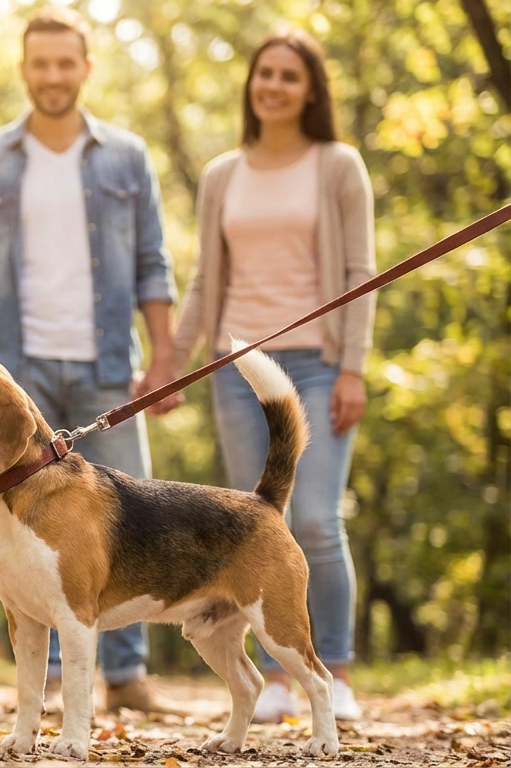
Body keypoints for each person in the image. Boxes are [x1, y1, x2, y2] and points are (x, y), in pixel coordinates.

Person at [0, 5, 181, 714]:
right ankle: (40, 677)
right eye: (40, 63)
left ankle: (127, 676)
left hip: (107, 362)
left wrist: (163, 357)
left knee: (130, 515)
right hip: (15, 370)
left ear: (86, 68)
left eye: (64, 62)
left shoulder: (126, 156)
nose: (52, 75)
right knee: (18, 523)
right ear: (24, 70)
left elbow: (152, 265)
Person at [172, 29, 375, 723]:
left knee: (316, 521)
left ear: (311, 89)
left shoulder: (338, 164)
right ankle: (277, 682)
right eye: (265, 74)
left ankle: (335, 671)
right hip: (237, 366)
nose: (275, 86)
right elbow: (204, 279)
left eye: (290, 76)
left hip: (319, 363)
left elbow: (361, 273)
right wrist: (174, 362)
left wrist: (353, 366)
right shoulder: (223, 174)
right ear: (251, 84)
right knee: (253, 528)